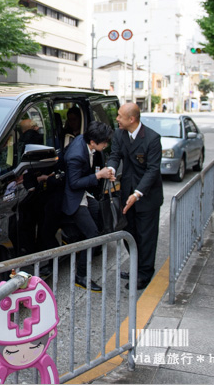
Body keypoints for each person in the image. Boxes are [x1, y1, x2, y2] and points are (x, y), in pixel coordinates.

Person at [105, 103, 163, 290]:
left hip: (146, 196)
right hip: (126, 193)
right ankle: (137, 267)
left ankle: (145, 274)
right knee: (130, 234)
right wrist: (111, 168)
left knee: (146, 236)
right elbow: (115, 155)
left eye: (120, 116)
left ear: (132, 119)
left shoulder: (152, 139)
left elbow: (152, 170)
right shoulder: (120, 134)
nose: (117, 119)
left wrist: (137, 194)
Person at [60, 121, 115, 292]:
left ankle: (75, 240)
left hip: (83, 193)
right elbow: (74, 183)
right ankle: (81, 275)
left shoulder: (85, 143)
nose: (106, 145)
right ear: (92, 142)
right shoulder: (76, 155)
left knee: (97, 212)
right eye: (104, 142)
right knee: (92, 234)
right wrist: (99, 175)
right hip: (73, 197)